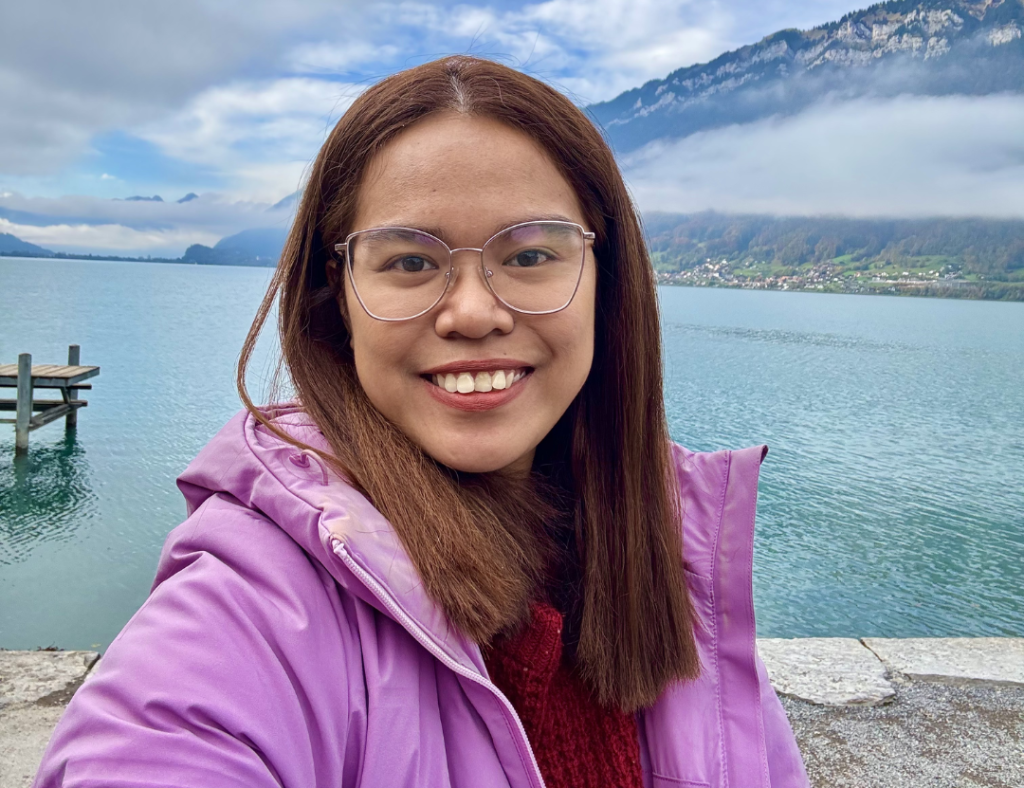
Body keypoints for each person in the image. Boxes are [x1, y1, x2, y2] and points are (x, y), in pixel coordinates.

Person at [36, 57, 809, 788]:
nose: (473, 312)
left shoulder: (670, 557)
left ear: (604, 282)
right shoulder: (266, 590)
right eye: (409, 262)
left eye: (532, 255)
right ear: (336, 295)